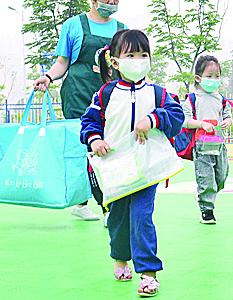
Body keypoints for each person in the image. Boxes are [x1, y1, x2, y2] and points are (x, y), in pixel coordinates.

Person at [81, 29, 184, 297]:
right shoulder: (105, 94)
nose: (138, 60)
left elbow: (177, 116)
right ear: (115, 61)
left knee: (141, 216)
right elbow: (89, 121)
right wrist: (94, 140)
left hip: (147, 169)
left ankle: (149, 273)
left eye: (143, 54)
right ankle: (120, 257)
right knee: (117, 218)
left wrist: (153, 119)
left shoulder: (158, 93)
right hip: (115, 168)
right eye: (130, 55)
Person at [32, 0, 125, 221]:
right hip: (77, 93)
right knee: (85, 148)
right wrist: (48, 77)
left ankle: (102, 202)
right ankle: (97, 206)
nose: (111, 2)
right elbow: (63, 61)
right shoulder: (73, 25)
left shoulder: (121, 30)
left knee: (110, 147)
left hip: (110, 96)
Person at [182, 55, 233, 225]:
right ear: (198, 78)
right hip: (201, 146)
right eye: (209, 76)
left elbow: (228, 115)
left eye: (217, 76)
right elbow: (185, 120)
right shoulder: (193, 99)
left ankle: (206, 194)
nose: (214, 80)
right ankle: (207, 210)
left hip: (219, 145)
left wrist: (227, 121)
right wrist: (201, 124)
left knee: (221, 177)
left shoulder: (221, 99)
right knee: (206, 179)